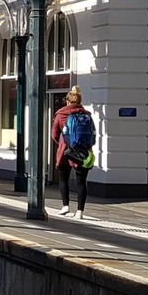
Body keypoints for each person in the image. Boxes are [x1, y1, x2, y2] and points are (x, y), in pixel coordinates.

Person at [51, 85, 95, 220]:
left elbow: (54, 134)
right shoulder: (87, 115)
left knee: (63, 179)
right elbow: (93, 134)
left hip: (66, 152)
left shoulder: (61, 115)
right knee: (81, 182)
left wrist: (64, 145)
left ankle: (65, 206)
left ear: (68, 101)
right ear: (80, 101)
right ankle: (80, 211)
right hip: (83, 152)